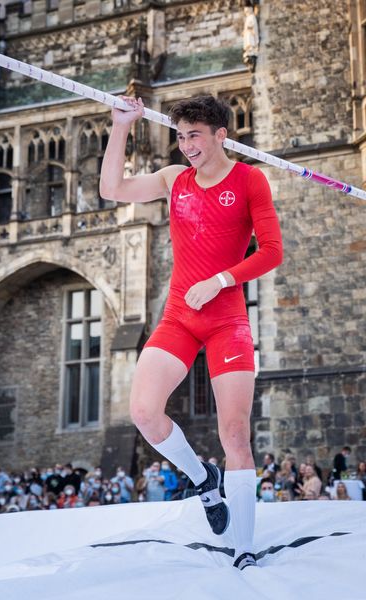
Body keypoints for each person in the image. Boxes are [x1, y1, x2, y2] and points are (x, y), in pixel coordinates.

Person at [100, 94, 283, 570]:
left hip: (226, 319)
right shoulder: (172, 179)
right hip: (179, 316)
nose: (186, 146)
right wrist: (122, 126)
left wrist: (221, 279)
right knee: (143, 411)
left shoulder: (249, 180)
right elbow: (112, 188)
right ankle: (204, 479)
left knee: (236, 434)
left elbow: (271, 252)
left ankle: (243, 548)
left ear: (221, 135)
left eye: (194, 135)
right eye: (180, 137)